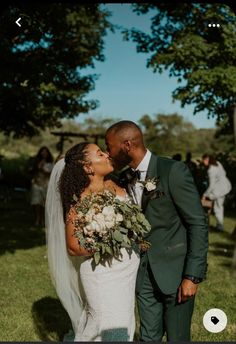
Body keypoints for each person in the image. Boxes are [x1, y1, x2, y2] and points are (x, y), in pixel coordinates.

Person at [105, 121, 208, 342]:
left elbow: (198, 223)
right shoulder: (124, 178)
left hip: (176, 273)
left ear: (127, 145)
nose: (107, 152)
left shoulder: (173, 171)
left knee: (177, 338)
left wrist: (192, 276)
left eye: (109, 146)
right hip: (142, 274)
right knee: (148, 337)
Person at [45, 142, 140, 341]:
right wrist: (110, 240)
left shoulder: (115, 184)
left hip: (126, 272)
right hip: (102, 274)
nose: (106, 155)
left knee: (124, 322)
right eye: (100, 153)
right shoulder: (80, 201)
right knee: (104, 324)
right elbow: (73, 247)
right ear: (88, 167)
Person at [201, 153, 232, 232]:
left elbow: (211, 185)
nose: (204, 162)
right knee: (219, 207)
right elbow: (224, 173)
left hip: (219, 189)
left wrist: (204, 195)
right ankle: (219, 225)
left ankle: (220, 226)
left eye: (205, 160)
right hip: (225, 186)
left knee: (217, 208)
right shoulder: (218, 163)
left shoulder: (211, 170)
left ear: (208, 160)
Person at [30, 146, 54, 226]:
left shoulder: (51, 163)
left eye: (45, 152)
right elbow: (33, 170)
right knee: (36, 202)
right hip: (36, 184)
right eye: (42, 152)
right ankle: (37, 219)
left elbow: (49, 173)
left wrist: (42, 167)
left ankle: (44, 220)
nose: (44, 153)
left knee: (44, 203)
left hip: (46, 185)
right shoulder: (36, 162)